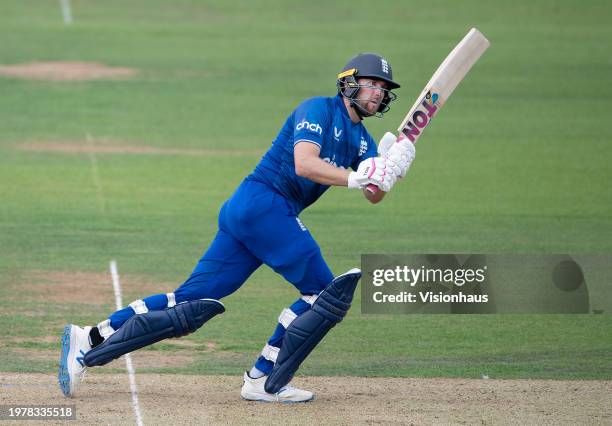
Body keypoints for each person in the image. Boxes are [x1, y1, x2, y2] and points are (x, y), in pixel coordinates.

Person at [58, 53, 416, 402]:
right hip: (265, 204)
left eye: (383, 89)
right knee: (324, 295)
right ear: (349, 83)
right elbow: (305, 164)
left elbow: (373, 193)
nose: (378, 94)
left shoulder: (363, 140)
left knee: (189, 303)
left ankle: (88, 339)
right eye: (372, 84)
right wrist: (359, 176)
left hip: (254, 212)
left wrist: (390, 168)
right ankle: (264, 379)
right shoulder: (318, 109)